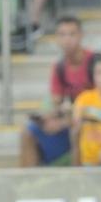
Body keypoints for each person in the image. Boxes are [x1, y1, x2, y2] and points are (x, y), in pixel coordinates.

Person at [20, 15, 91, 166]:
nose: (67, 40)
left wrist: (65, 122)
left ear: (81, 36)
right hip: (69, 120)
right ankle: (26, 184)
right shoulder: (59, 68)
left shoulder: (94, 63)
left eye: (72, 34)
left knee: (77, 131)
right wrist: (47, 118)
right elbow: (56, 102)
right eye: (62, 35)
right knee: (29, 132)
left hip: (91, 122)